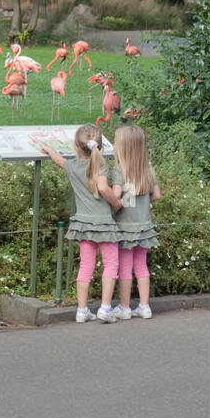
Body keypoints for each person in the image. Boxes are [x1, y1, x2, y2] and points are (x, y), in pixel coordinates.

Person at [43, 123, 124, 322]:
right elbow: (104, 188)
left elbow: (59, 160)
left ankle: (81, 310)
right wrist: (117, 203)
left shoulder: (72, 166)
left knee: (86, 265)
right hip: (104, 223)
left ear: (77, 147)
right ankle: (105, 308)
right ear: (100, 146)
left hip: (83, 223)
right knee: (111, 265)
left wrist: (49, 150)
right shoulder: (101, 165)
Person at [110, 125, 162, 319]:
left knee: (124, 267)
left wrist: (110, 203)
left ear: (123, 147)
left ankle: (124, 308)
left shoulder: (118, 170)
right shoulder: (147, 168)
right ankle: (144, 306)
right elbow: (156, 195)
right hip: (144, 225)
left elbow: (116, 196)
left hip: (125, 226)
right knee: (141, 265)